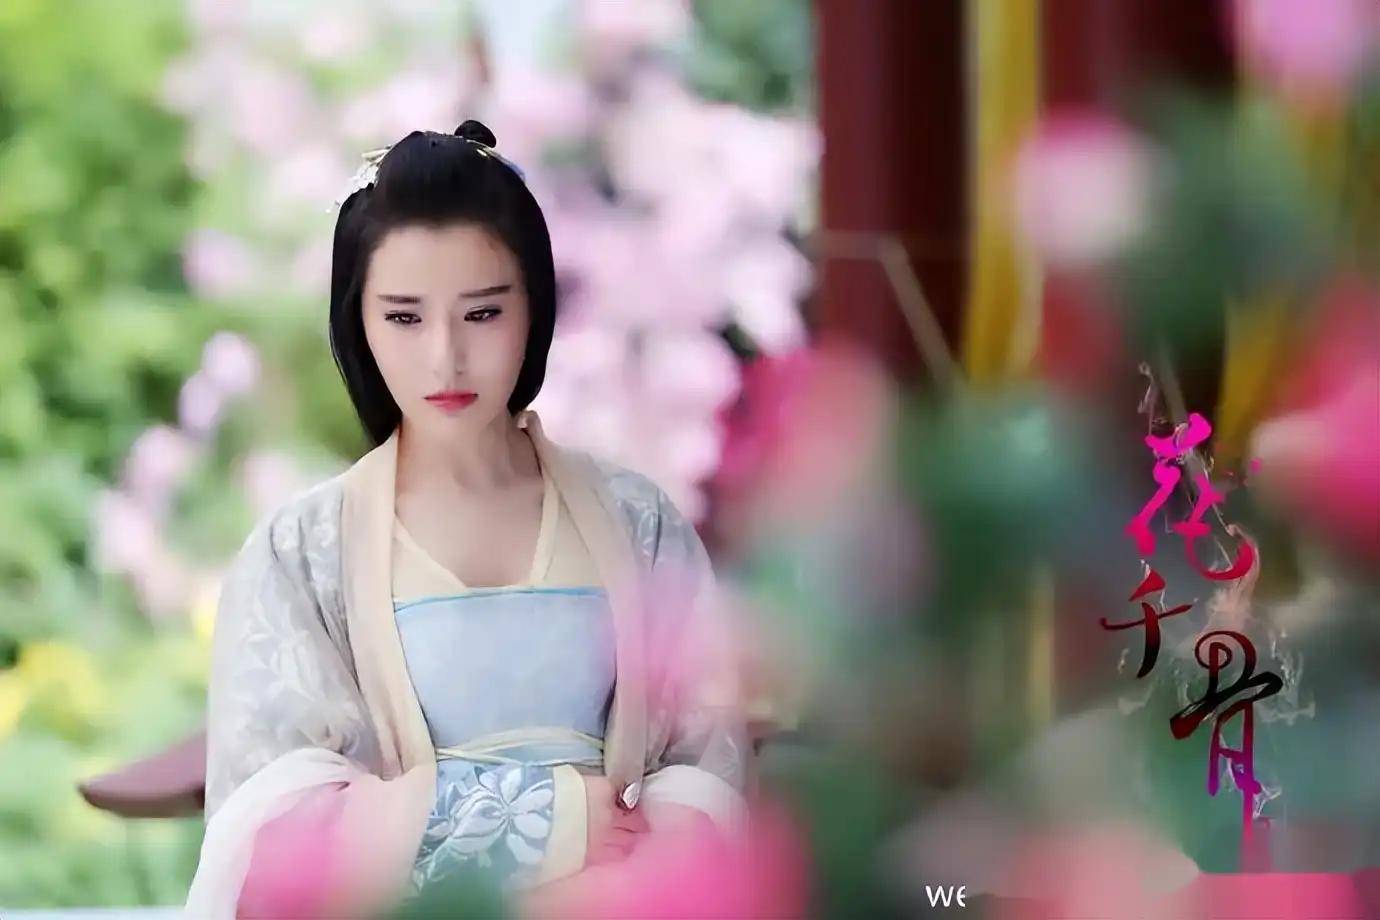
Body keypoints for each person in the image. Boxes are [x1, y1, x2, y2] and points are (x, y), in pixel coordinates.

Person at [186, 119, 749, 918]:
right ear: (357, 322)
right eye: (404, 318)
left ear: (534, 310)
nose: (444, 357)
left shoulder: (638, 523)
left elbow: (703, 771)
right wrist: (550, 824)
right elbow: (276, 818)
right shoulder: (303, 552)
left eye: (482, 314)